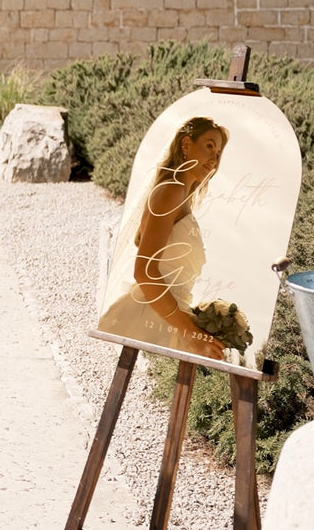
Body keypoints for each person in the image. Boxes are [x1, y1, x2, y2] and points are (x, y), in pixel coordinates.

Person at [96, 116, 229, 361]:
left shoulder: (180, 196)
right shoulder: (171, 191)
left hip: (169, 315)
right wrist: (189, 332)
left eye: (219, 153)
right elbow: (145, 272)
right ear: (186, 144)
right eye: (209, 146)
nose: (214, 159)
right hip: (154, 316)